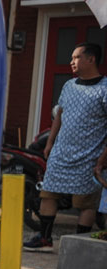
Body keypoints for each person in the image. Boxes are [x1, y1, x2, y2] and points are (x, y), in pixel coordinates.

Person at [24, 42, 107, 251]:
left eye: (76, 57)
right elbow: (59, 115)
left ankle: (80, 244)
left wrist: (103, 158)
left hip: (90, 155)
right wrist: (50, 142)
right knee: (48, 194)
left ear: (91, 59)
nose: (71, 62)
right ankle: (44, 237)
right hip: (61, 153)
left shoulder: (105, 88)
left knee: (86, 203)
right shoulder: (69, 86)